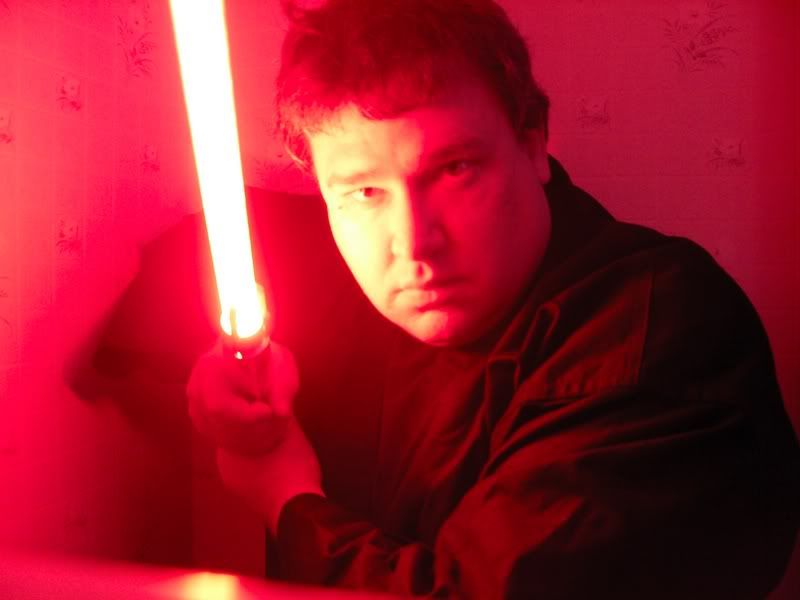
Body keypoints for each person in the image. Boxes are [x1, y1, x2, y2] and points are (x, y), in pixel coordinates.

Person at [93, 0, 800, 597]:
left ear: (534, 142)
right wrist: (234, 394)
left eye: (456, 169)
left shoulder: (657, 330)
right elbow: (181, 300)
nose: (415, 245)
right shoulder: (338, 269)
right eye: (364, 191)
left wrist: (285, 495)